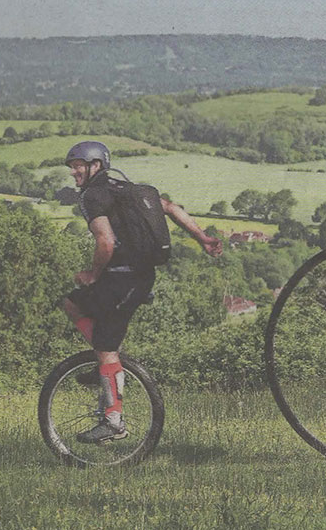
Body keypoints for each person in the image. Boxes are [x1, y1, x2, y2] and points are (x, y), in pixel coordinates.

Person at [62, 141, 224, 443]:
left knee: (102, 341)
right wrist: (201, 237)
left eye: (78, 165)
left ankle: (113, 420)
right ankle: (105, 366)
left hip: (121, 279)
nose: (73, 172)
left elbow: (105, 242)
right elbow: (172, 208)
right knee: (74, 306)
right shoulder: (126, 188)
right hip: (141, 277)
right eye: (72, 167)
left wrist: (92, 274)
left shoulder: (93, 196)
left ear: (95, 165)